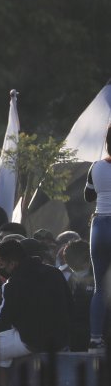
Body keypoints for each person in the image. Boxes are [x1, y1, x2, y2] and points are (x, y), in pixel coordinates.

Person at [0, 240, 72, 374]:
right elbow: (70, 303)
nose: (0, 268)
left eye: (1, 264)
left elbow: (2, 317)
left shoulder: (13, 284)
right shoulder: (55, 272)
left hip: (33, 341)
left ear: (13, 263)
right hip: (62, 338)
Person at [85, 127, 111, 352]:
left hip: (100, 226)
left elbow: (88, 195)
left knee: (100, 288)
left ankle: (95, 339)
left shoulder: (96, 166)